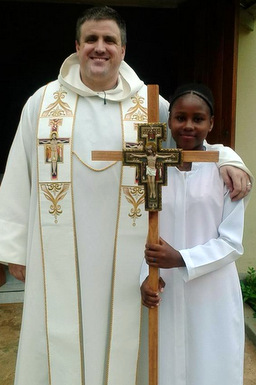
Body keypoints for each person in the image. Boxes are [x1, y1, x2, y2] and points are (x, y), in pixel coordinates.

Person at [0, 6, 252, 385]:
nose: (99, 48)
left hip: (127, 253)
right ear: (77, 46)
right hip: (58, 251)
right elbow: (19, 173)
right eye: (91, 39)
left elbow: (192, 140)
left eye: (109, 40)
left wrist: (229, 160)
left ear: (122, 49)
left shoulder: (148, 104)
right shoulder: (43, 103)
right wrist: (15, 250)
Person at [140, 83, 250, 385]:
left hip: (211, 289)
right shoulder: (153, 169)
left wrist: (181, 258)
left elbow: (231, 242)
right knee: (166, 367)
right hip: (165, 287)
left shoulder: (227, 172)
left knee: (211, 363)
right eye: (180, 117)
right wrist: (143, 277)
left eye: (198, 118)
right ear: (169, 121)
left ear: (211, 123)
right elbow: (137, 229)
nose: (188, 125)